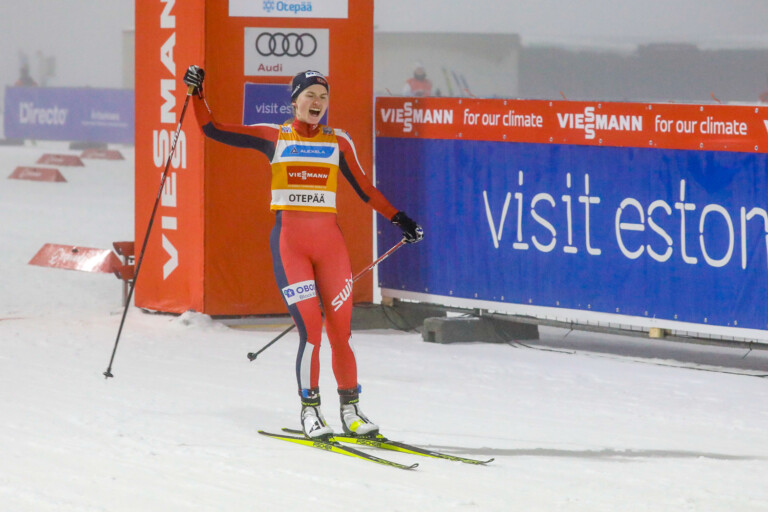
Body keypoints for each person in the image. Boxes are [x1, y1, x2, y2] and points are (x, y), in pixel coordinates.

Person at [183, 66, 423, 439]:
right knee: (311, 331)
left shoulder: (338, 141)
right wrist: (196, 93)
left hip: (331, 248)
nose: (317, 102)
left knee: (341, 332)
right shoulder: (274, 136)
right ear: (294, 100)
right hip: (291, 246)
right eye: (310, 95)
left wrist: (400, 218)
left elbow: (365, 188)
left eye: (323, 97)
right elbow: (212, 129)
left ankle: (351, 411)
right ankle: (310, 411)